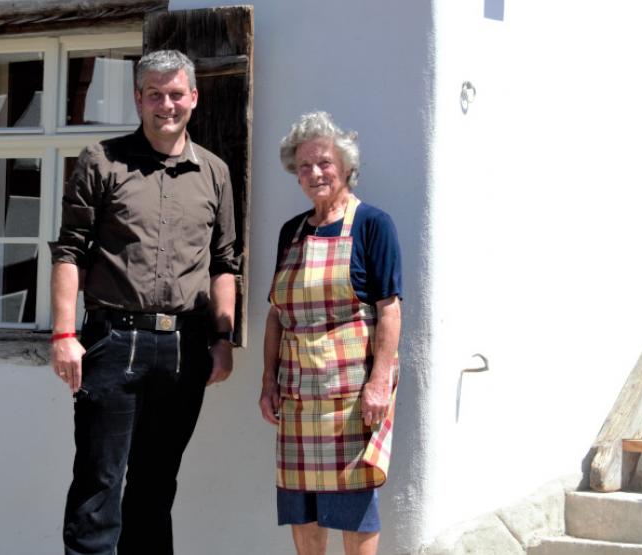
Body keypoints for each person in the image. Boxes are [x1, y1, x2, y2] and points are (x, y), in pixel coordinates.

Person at [48, 49, 239, 555]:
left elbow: (224, 264)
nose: (166, 104)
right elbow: (70, 252)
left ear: (193, 98)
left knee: (156, 491)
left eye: (176, 93)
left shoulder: (215, 173)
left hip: (184, 349)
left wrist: (223, 340)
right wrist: (64, 336)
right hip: (113, 343)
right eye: (154, 94)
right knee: (98, 487)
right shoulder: (101, 160)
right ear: (138, 98)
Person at [259, 111, 403, 555]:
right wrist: (268, 381)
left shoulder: (372, 225)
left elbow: (390, 310)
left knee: (354, 505)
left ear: (344, 167)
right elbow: (277, 315)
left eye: (323, 163)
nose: (314, 173)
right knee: (300, 506)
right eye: (304, 166)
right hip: (298, 395)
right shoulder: (292, 232)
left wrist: (379, 383)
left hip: (350, 396)